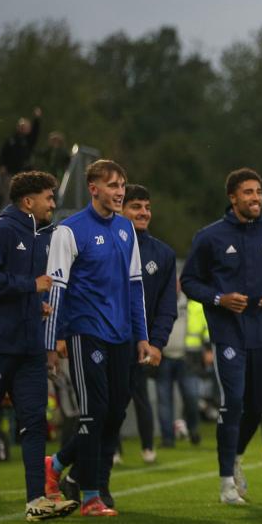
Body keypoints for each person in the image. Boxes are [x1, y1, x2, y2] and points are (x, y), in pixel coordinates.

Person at [181, 167, 262, 505]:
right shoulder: (210, 237)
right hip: (228, 334)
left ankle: (234, 458)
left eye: (259, 191)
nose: (256, 198)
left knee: (257, 407)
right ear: (233, 198)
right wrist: (219, 299)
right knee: (232, 402)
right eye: (248, 192)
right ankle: (225, 484)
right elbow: (190, 282)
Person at [43, 159, 152, 517]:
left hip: (122, 335)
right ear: (93, 189)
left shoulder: (126, 229)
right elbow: (55, 291)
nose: (120, 191)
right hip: (86, 332)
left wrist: (142, 337)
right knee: (94, 413)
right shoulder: (68, 231)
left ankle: (57, 465)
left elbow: (136, 288)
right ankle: (90, 496)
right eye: (113, 185)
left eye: (123, 185)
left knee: (114, 413)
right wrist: (52, 341)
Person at [0, 171, 78, 521]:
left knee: (35, 421)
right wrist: (30, 287)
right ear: (28, 201)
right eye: (49, 197)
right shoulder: (0, 230)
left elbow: (19, 289)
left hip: (29, 347)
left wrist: (33, 304)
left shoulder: (43, 236)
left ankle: (37, 499)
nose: (53, 203)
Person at [121, 185, 177, 462]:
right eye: (136, 207)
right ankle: (107, 456)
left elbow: (167, 307)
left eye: (147, 207)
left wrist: (157, 342)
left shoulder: (163, 254)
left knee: (139, 397)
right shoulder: (105, 245)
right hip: (105, 339)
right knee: (104, 404)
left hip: (141, 344)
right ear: (120, 208)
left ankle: (147, 447)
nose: (144, 213)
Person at [155, 289, 204, 448]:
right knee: (164, 401)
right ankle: (168, 439)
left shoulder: (192, 303)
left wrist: (207, 347)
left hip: (186, 357)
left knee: (191, 396)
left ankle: (193, 429)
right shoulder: (158, 302)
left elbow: (203, 324)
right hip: (163, 356)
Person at [0, 108, 42, 212]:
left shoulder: (28, 141)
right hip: (9, 172)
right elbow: (3, 154)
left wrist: (37, 119)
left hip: (22, 174)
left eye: (26, 127)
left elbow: (35, 133)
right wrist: (1, 165)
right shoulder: (11, 140)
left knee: (20, 196)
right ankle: (2, 214)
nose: (23, 129)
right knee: (6, 195)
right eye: (22, 126)